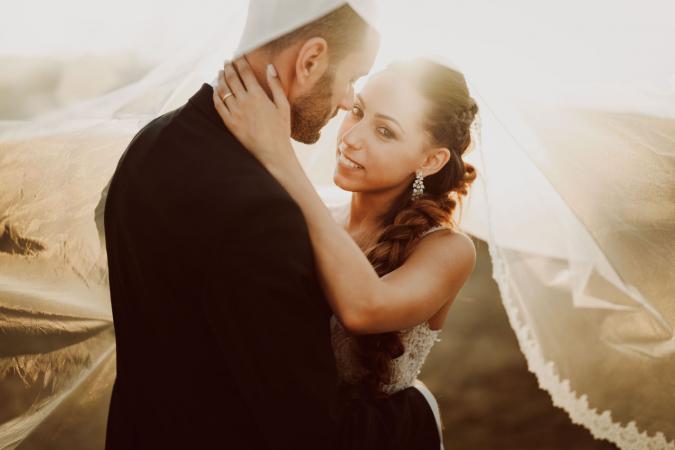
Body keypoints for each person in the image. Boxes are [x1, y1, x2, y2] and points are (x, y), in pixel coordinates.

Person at [103, 2, 441, 449]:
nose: (345, 102)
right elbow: (309, 433)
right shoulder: (265, 214)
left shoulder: (151, 143)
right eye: (352, 79)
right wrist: (419, 413)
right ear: (311, 61)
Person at [212, 55, 479, 444]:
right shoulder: (312, 209)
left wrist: (278, 155)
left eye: (385, 132)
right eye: (357, 111)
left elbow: (364, 308)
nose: (351, 137)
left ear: (430, 160)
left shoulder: (447, 249)